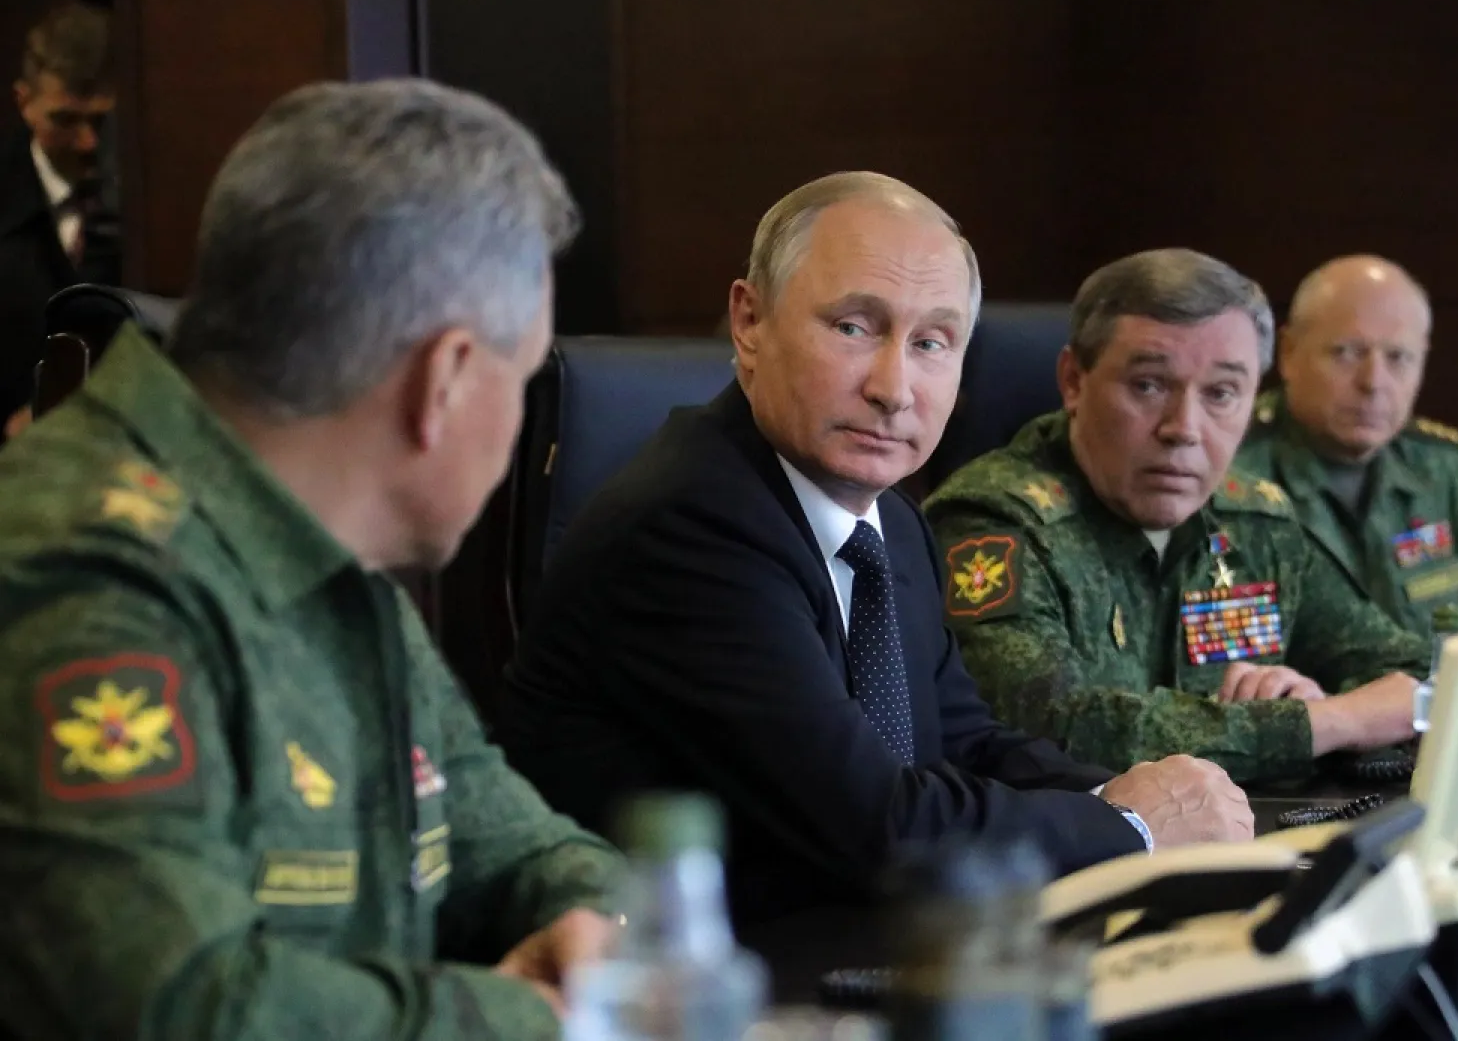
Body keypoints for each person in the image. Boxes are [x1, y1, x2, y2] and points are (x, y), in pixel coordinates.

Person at [0, 79, 624, 1040]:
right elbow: (169, 1011)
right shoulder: (91, 575)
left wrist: (587, 919)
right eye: (524, 375)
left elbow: (509, 840)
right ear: (446, 380)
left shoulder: (327, 558)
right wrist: (529, 1021)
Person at [495, 173, 1253, 957]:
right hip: (687, 984)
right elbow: (875, 826)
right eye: (856, 327)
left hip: (847, 947)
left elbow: (965, 741)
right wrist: (1128, 825)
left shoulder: (887, 516)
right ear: (749, 322)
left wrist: (1137, 794)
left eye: (932, 343)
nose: (894, 389)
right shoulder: (690, 525)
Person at [924, 249, 1430, 785]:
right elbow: (1054, 729)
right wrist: (1316, 725)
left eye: (1221, 394)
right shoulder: (994, 523)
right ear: (1073, 380)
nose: (1183, 427)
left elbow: (1412, 678)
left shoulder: (1254, 520)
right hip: (1075, 857)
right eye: (1149, 386)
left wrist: (1312, 698)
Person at [1236, 254, 1458, 635]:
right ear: (1289, 352)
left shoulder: (1445, 467)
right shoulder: (1234, 469)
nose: (1373, 382)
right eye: (1347, 352)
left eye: (1398, 357)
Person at [1, 3, 120, 443]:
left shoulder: (151, 208)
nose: (88, 143)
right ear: (24, 103)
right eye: (66, 120)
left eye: (101, 122)